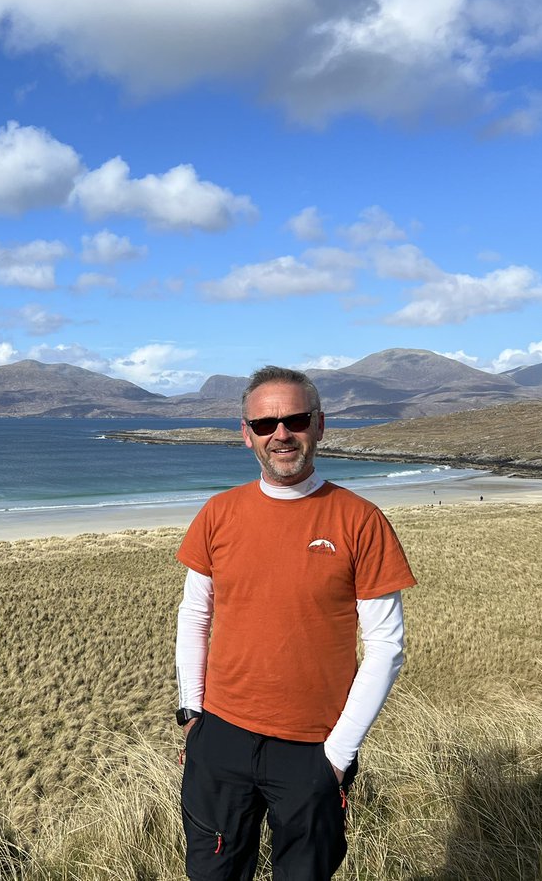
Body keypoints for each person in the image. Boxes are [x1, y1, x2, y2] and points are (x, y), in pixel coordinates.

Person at [174, 366, 416, 881]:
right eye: (264, 424)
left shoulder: (360, 520)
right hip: (220, 738)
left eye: (295, 420)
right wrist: (193, 713)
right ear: (246, 435)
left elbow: (386, 647)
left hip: (313, 749)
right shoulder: (218, 512)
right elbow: (196, 615)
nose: (280, 434)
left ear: (320, 426)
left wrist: (337, 754)